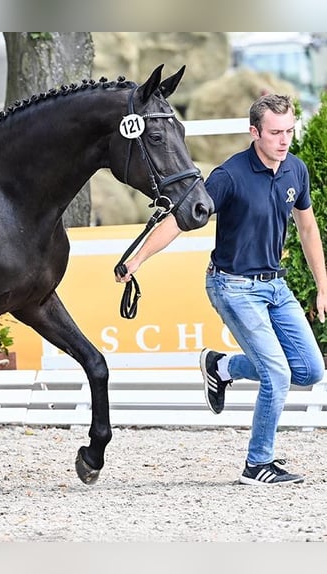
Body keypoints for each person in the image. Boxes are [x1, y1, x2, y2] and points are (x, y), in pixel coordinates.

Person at [116, 93, 326, 485]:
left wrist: (322, 287)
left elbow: (308, 228)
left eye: (289, 131)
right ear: (254, 132)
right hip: (232, 286)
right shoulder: (229, 176)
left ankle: (222, 366)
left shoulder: (295, 170)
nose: (284, 140)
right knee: (277, 374)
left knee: (310, 370)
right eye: (276, 132)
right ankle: (257, 464)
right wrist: (138, 258)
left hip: (275, 286)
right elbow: (180, 221)